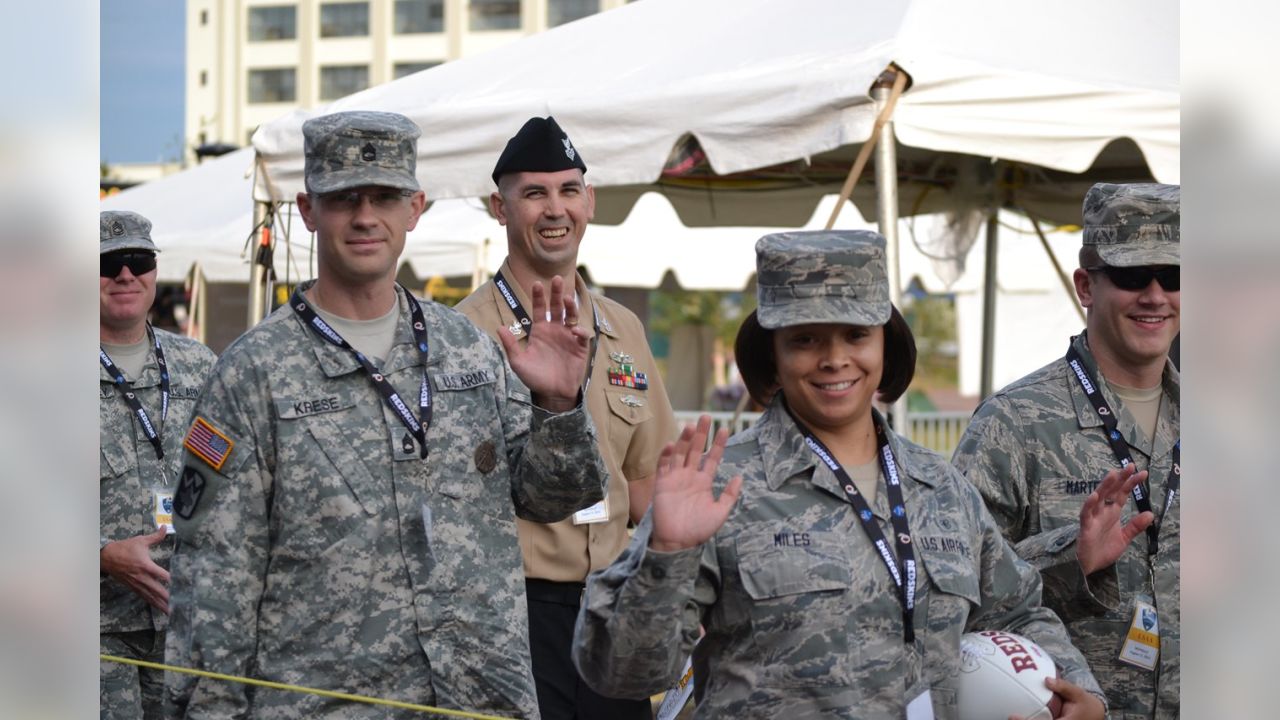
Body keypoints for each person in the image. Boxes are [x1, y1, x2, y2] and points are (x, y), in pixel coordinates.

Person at [165, 111, 607, 719]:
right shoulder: (253, 373)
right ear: (308, 210)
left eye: (385, 197)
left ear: (416, 208)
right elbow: (214, 580)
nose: (366, 216)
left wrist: (557, 406)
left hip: (479, 698)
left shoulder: (470, 348)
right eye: (345, 198)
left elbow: (555, 500)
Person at [573, 230, 1111, 719]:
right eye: (805, 339)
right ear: (773, 354)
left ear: (884, 343)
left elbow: (1018, 611)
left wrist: (1077, 691)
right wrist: (665, 554)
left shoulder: (939, 487)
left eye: (855, 334)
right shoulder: (721, 487)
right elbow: (622, 674)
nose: (835, 359)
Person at [457, 116, 676, 720]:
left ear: (590, 202)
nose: (555, 210)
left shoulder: (621, 327)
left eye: (568, 190)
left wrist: (667, 589)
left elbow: (644, 480)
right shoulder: (464, 337)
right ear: (500, 209)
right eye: (534, 193)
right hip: (511, 612)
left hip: (613, 608)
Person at [952, 183, 1180, 719]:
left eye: (1172, 277)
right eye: (1130, 276)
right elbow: (951, 592)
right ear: (1086, 285)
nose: (1154, 296)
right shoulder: (1012, 424)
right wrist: (1067, 557)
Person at [99, 210, 216, 720]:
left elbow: (232, 474)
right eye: (108, 262)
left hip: (188, 624)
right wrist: (98, 554)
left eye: (138, 260)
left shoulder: (201, 364)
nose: (125, 274)